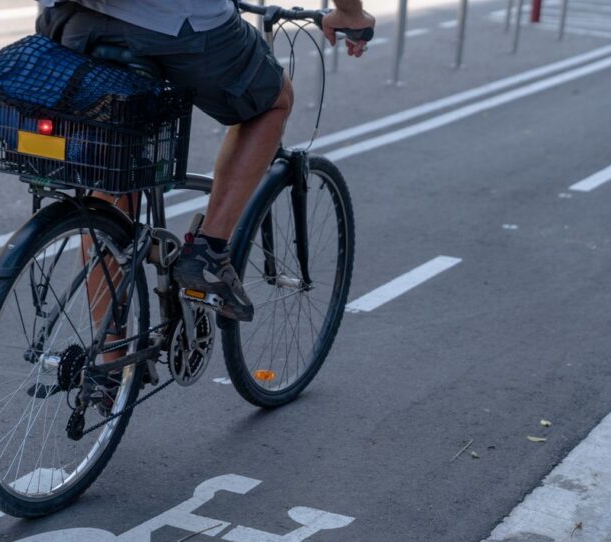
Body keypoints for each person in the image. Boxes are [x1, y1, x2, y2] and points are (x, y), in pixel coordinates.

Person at [36, 0, 374, 322]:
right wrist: (350, 13)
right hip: (172, 22)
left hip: (69, 21)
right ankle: (207, 252)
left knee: (113, 174)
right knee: (273, 100)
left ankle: (108, 371)